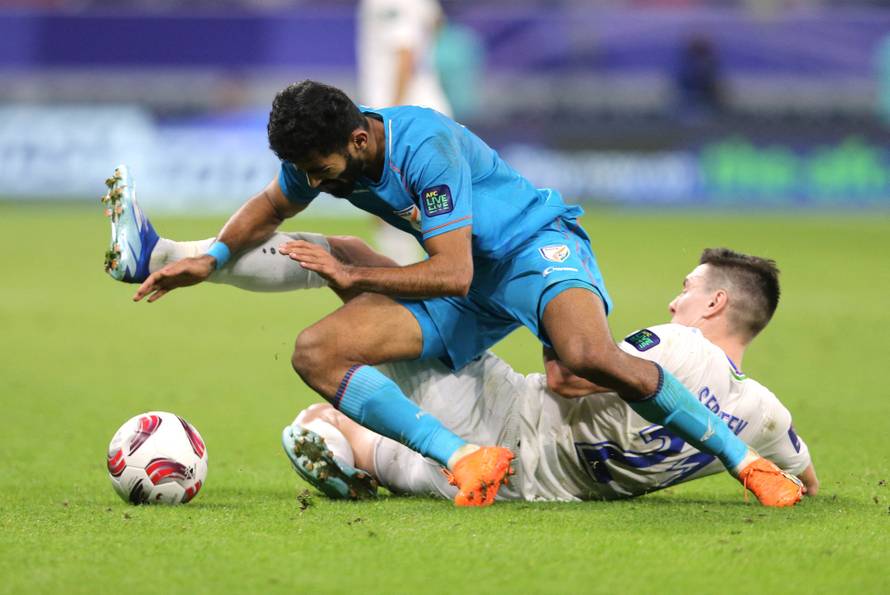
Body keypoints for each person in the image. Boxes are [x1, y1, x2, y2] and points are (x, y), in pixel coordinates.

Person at [104, 81, 802, 507]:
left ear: (357, 136)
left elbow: (454, 271)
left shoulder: (423, 146)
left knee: (584, 357)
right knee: (316, 349)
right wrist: (215, 255)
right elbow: (269, 206)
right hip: (465, 293)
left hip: (533, 251)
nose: (312, 182)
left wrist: (360, 278)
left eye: (319, 170)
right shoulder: (325, 158)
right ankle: (459, 455)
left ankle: (744, 462)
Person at [285, 249, 818, 502]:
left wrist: (549, 296)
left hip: (499, 420)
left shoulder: (679, 344)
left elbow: (571, 375)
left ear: (715, 302)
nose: (675, 300)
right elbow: (808, 481)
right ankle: (350, 447)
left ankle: (208, 256)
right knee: (369, 446)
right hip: (533, 490)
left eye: (687, 288)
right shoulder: (767, 417)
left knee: (353, 260)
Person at [357, 0, 452, 265]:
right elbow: (436, 22)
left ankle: (406, 286)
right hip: (429, 111)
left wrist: (386, 121)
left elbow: (405, 53)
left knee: (386, 205)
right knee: (438, 207)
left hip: (404, 119)